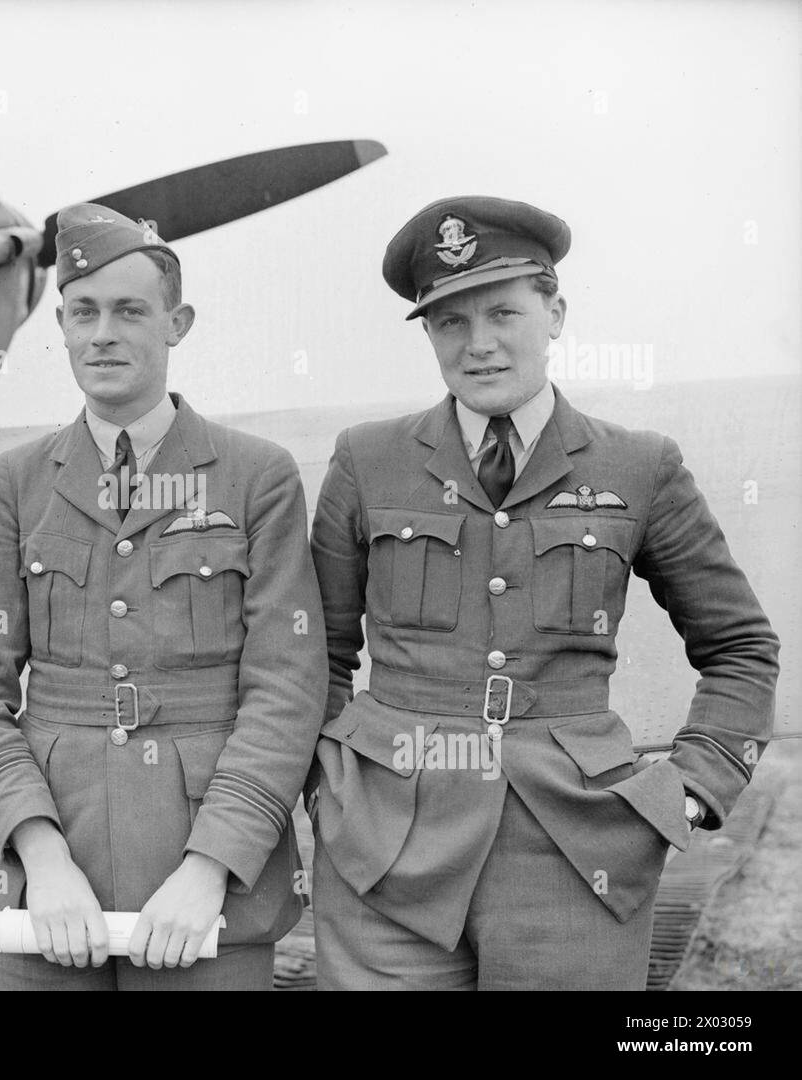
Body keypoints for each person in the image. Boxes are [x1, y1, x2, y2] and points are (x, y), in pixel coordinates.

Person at [309, 195, 780, 990]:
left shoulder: (639, 465)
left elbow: (741, 648)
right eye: (450, 323)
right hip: (384, 853)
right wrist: (330, 784)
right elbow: (316, 650)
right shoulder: (367, 460)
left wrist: (694, 791)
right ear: (428, 334)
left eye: (504, 313)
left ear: (555, 313)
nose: (480, 344)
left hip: (578, 851)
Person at [0, 204, 327, 990]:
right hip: (49, 883)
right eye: (82, 313)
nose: (102, 335)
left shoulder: (256, 476)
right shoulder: (19, 482)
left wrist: (211, 867)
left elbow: (286, 691)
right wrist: (40, 854)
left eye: (129, 311)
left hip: (206, 887)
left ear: (177, 323)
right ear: (59, 323)